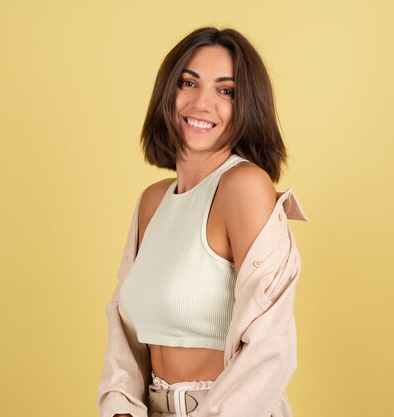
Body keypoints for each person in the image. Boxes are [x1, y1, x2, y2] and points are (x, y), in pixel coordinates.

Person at [97, 26, 308, 417]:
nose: (202, 103)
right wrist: (121, 408)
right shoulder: (152, 201)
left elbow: (270, 345)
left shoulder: (244, 186)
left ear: (247, 105)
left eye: (226, 91)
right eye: (188, 83)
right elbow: (125, 331)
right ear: (168, 93)